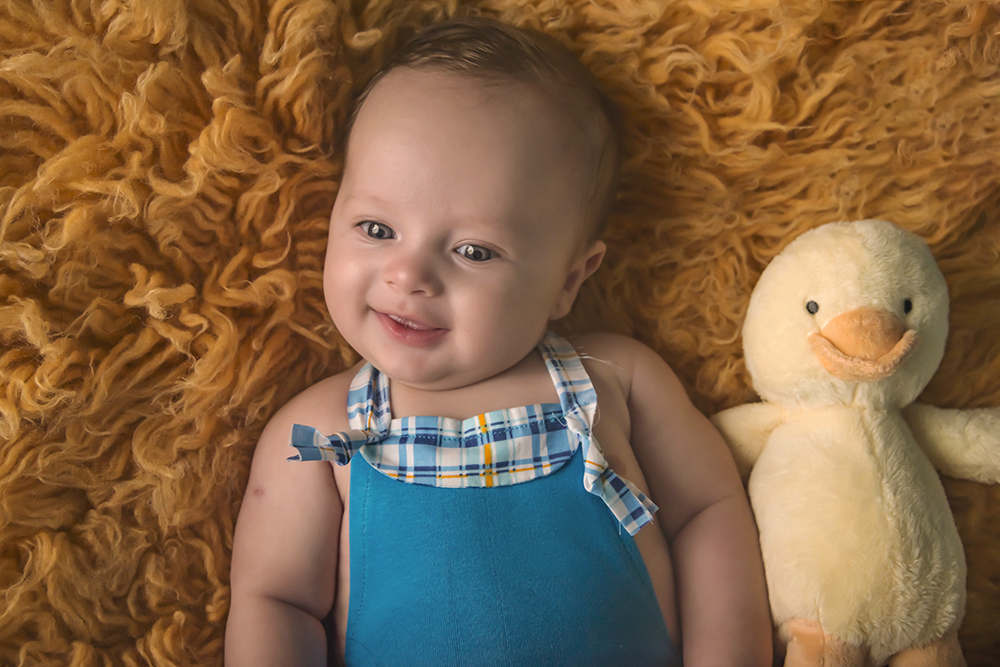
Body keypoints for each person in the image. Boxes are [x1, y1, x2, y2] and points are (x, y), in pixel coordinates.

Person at [225, 16, 772, 667]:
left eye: (474, 250)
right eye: (376, 228)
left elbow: (707, 512)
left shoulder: (615, 377)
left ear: (569, 280)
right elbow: (273, 599)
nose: (408, 275)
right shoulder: (318, 431)